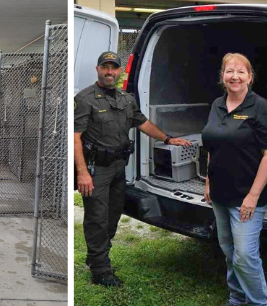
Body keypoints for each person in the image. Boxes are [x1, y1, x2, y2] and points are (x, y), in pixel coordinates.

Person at [73, 51, 191, 287]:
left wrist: (167, 139)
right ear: (98, 69)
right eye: (105, 68)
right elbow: (75, 137)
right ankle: (101, 271)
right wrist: (82, 173)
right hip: (97, 169)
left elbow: (143, 123)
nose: (110, 72)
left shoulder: (126, 99)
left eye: (114, 68)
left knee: (113, 216)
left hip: (119, 167)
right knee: (97, 218)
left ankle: (97, 256)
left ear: (119, 72)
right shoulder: (85, 99)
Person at [202, 53, 267, 306]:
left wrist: (252, 196)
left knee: (245, 256)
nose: (234, 76)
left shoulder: (261, 108)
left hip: (248, 196)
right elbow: (212, 144)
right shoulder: (217, 104)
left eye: (240, 72)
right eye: (229, 71)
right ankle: (237, 299)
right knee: (228, 250)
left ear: (250, 77)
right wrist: (208, 182)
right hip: (220, 193)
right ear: (222, 76)